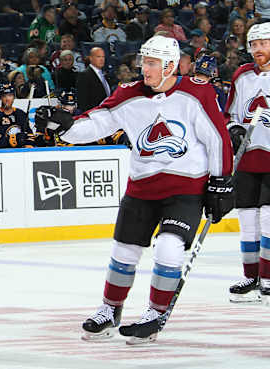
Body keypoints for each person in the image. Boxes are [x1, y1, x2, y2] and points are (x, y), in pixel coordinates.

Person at [35, 35, 234, 343]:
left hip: (185, 188)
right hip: (141, 187)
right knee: (123, 251)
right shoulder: (129, 94)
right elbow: (98, 121)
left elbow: (217, 138)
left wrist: (221, 181)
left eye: (152, 63)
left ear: (169, 65)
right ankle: (110, 309)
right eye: (144, 61)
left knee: (169, 246)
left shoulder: (196, 92)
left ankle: (155, 313)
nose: (145, 69)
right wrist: (65, 126)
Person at [225, 21, 270, 303]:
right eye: (253, 44)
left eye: (263, 43)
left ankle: (267, 276)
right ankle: (250, 275)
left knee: (268, 218)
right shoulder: (242, 75)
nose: (257, 50)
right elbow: (229, 114)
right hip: (247, 158)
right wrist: (234, 130)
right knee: (248, 219)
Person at [0, 83, 33, 149]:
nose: (7, 99)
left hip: (19, 151)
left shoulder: (21, 114)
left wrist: (28, 144)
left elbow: (29, 134)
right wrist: (10, 141)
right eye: (4, 96)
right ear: (1, 98)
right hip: (0, 153)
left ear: (14, 97)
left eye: (10, 95)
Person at [76, 47, 111, 112]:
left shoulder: (105, 75)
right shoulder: (84, 75)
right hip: (94, 115)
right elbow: (82, 102)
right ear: (91, 58)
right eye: (98, 57)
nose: (101, 59)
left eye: (103, 57)